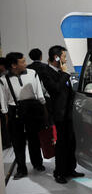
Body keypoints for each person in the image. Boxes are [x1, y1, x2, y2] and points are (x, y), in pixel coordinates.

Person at [40, 45, 84, 184]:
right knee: (61, 144)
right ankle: (59, 172)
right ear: (56, 57)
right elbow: (55, 89)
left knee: (71, 142)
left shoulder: (61, 72)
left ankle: (71, 169)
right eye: (64, 56)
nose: (65, 59)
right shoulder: (46, 72)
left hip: (69, 114)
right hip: (59, 115)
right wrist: (65, 74)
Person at [0, 52, 47, 179]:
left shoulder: (32, 73)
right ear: (14, 65)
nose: (26, 64)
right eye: (23, 62)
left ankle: (37, 163)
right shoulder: (3, 79)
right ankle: (21, 169)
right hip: (14, 111)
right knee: (17, 141)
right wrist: (5, 115)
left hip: (32, 109)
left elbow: (39, 93)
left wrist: (44, 110)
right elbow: (3, 100)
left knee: (34, 139)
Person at [0, 57, 11, 150]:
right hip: (8, 104)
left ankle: (7, 142)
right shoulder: (7, 75)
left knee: (5, 125)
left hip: (6, 104)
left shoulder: (4, 77)